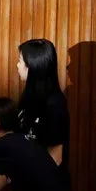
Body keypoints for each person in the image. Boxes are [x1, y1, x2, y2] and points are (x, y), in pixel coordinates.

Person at [17, 39, 70, 173]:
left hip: (46, 189)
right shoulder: (27, 98)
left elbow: (55, 158)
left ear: (33, 65)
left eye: (20, 61)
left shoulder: (55, 103)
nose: (17, 65)